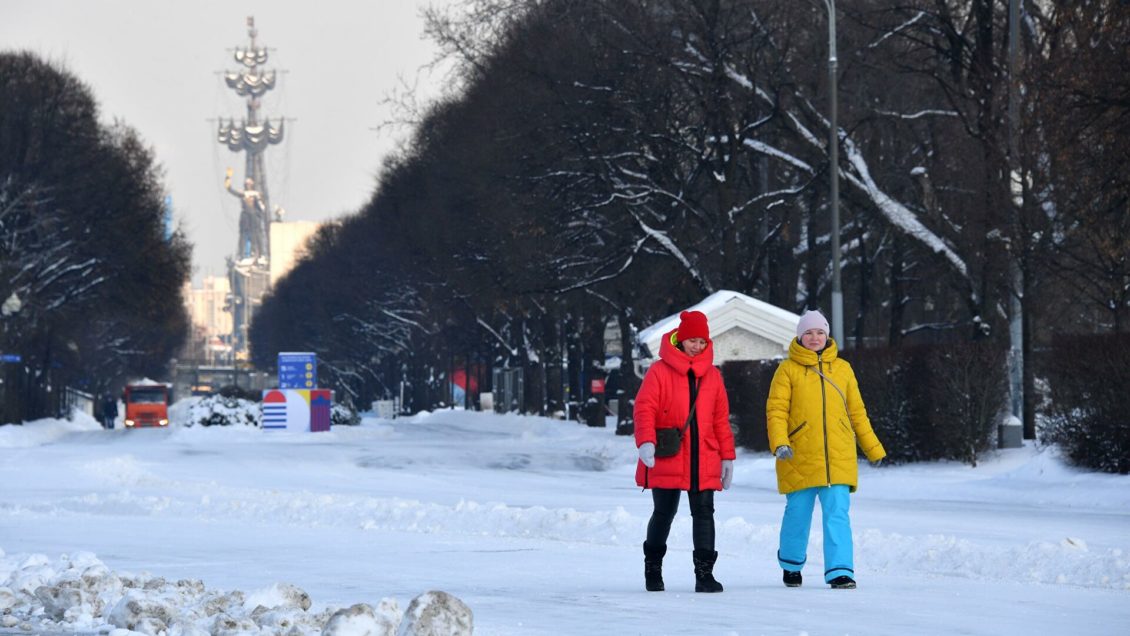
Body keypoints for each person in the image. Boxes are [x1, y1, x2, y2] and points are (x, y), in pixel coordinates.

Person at [766, 309, 886, 589]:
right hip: (798, 456)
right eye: (808, 332)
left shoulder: (843, 369)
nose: (814, 337)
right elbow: (776, 410)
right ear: (799, 336)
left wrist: (873, 448)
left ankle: (840, 571)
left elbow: (857, 412)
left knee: (837, 515)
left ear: (827, 335)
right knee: (797, 514)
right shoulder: (787, 370)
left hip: (838, 456)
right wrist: (780, 442)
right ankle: (791, 563)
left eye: (820, 332)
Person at [634, 310, 736, 593]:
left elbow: (720, 420)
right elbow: (645, 409)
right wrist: (646, 441)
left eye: (702, 342)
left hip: (704, 456)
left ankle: (704, 575)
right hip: (669, 454)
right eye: (692, 340)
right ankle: (653, 569)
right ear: (680, 339)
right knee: (664, 512)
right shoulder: (659, 371)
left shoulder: (713, 376)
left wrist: (727, 456)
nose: (698, 346)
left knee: (704, 513)